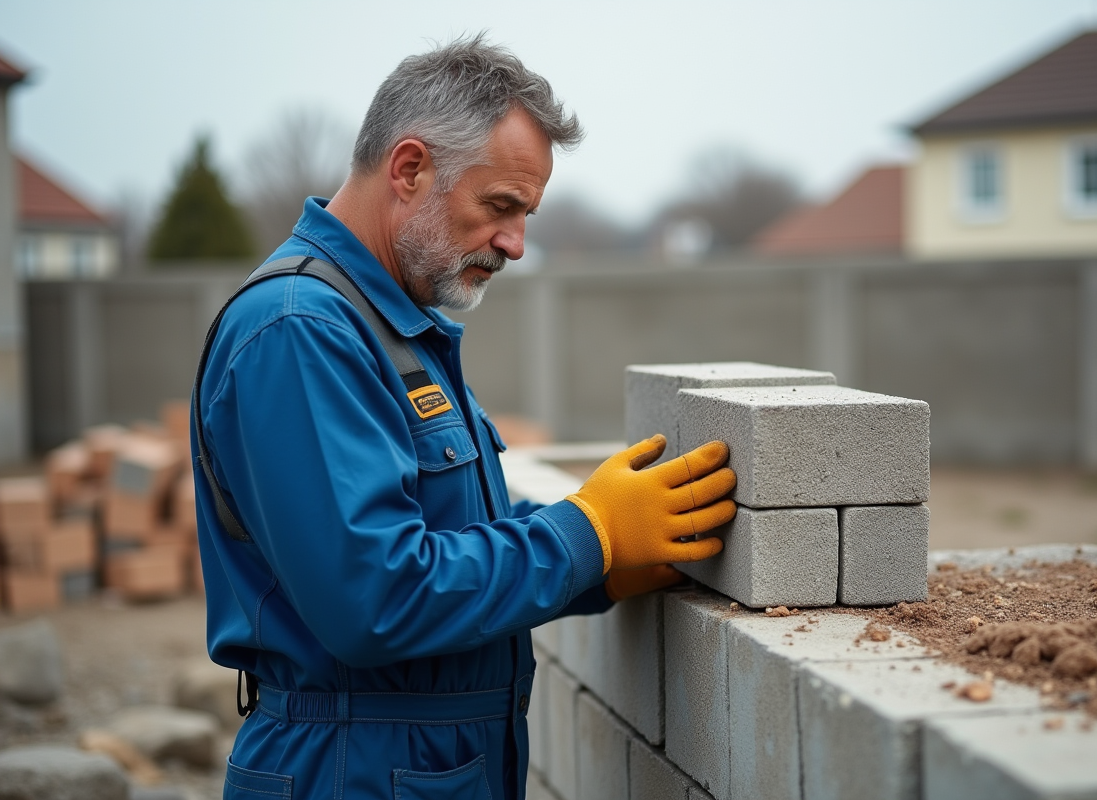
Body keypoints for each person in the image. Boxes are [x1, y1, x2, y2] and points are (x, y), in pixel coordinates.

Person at [192, 35, 736, 800]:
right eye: (500, 207)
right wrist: (589, 533)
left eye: (526, 214)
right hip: (350, 771)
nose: (515, 243)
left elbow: (446, 529)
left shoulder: (387, 327)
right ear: (410, 169)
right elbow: (374, 599)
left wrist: (602, 567)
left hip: (411, 762)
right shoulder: (298, 332)